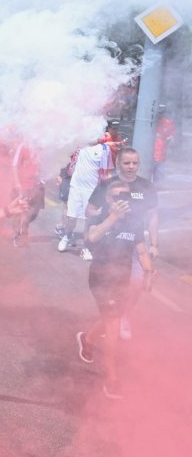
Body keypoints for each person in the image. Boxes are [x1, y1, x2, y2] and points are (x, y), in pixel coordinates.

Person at [76, 179, 154, 399]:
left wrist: (148, 273)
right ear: (109, 199)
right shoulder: (99, 217)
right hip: (101, 280)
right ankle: (112, 380)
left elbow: (141, 251)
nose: (124, 202)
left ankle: (87, 340)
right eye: (119, 197)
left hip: (122, 280)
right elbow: (92, 237)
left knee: (113, 319)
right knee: (113, 328)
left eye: (127, 197)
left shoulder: (134, 223)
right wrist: (113, 218)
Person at [86, 147, 158, 341]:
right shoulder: (107, 185)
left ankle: (122, 314)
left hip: (135, 242)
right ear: (118, 164)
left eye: (135, 163)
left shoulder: (147, 187)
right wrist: (107, 217)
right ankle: (112, 318)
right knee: (114, 286)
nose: (131, 167)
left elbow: (152, 216)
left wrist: (154, 244)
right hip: (110, 244)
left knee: (136, 283)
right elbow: (90, 210)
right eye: (126, 163)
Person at [59, 141, 114, 260]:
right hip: (75, 187)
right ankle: (67, 237)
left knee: (88, 220)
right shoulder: (79, 143)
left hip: (91, 189)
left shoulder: (104, 149)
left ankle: (86, 248)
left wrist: (108, 189)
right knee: (71, 218)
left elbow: (106, 172)